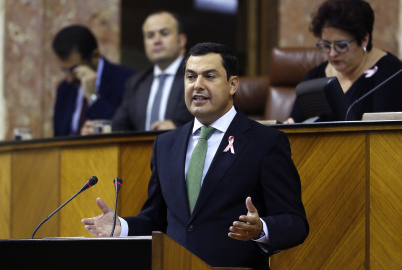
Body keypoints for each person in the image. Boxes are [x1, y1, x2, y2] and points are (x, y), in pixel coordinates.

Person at [81, 42, 309, 269]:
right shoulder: (165, 144)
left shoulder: (265, 142)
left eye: (209, 76)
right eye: (191, 77)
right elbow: (156, 220)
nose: (197, 85)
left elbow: (295, 223)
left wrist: (261, 229)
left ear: (232, 84)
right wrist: (121, 226)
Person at [286, 0, 402, 123]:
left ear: (364, 39)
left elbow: (385, 135)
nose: (332, 54)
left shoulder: (390, 73)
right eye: (326, 45)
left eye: (341, 46)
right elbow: (294, 124)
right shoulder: (315, 77)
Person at [83, 11, 193, 134]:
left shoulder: (197, 76)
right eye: (150, 36)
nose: (156, 41)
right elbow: (120, 126)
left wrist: (179, 130)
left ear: (181, 40)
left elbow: (210, 120)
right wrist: (100, 130)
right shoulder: (136, 82)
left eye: (164, 33)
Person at [52, 25, 135, 136]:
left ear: (95, 55)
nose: (69, 79)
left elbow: (122, 129)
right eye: (64, 70)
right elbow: (59, 136)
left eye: (74, 70)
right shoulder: (65, 88)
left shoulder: (127, 80)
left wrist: (93, 97)